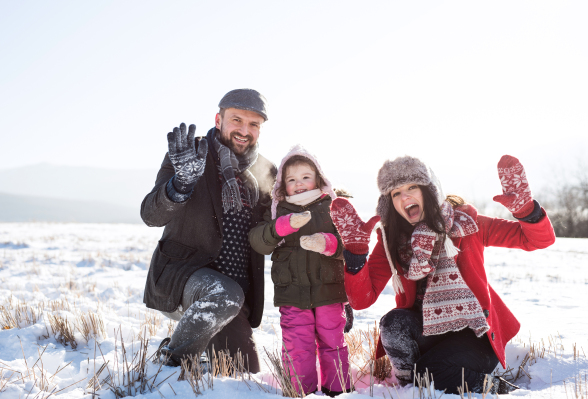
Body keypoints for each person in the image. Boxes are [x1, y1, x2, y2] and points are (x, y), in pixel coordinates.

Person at [330, 155, 555, 395]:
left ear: (429, 190)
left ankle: (498, 388)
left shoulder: (467, 223)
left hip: (475, 334)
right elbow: (362, 299)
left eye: (412, 187)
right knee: (393, 324)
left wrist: (527, 211)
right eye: (396, 193)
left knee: (431, 372)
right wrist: (355, 256)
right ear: (390, 203)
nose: (404, 197)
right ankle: (409, 387)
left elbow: (535, 239)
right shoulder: (391, 240)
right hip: (428, 331)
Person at [140, 89, 277, 372]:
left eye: (253, 124)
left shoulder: (266, 171)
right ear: (218, 119)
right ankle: (171, 359)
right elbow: (150, 215)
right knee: (224, 294)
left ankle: (202, 344)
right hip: (183, 276)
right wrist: (180, 184)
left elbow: (284, 218)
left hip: (236, 295)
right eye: (236, 120)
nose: (244, 130)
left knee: (243, 376)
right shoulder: (190, 155)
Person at [249, 146, 352, 397]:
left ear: (318, 178)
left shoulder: (334, 207)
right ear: (283, 185)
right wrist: (281, 227)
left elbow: (351, 246)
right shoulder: (277, 209)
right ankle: (299, 392)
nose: (300, 184)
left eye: (306, 177)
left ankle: (337, 390)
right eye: (292, 180)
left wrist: (327, 244)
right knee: (297, 345)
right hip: (293, 294)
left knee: (333, 342)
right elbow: (258, 241)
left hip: (329, 291)